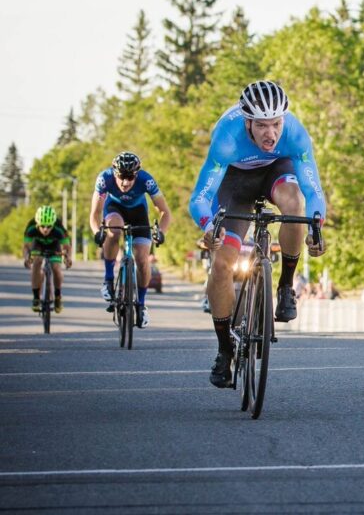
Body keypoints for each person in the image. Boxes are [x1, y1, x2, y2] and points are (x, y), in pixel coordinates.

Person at [190, 80, 327, 388]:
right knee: (222, 266)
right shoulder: (227, 136)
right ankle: (225, 349)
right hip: (234, 183)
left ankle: (285, 287)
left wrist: (317, 224)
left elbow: (313, 189)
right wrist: (208, 226)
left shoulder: (294, 133)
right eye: (262, 126)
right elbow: (200, 196)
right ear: (247, 121)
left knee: (295, 204)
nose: (271, 133)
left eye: (276, 124)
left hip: (276, 172)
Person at [89, 152, 171, 329]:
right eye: (121, 177)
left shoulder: (146, 180)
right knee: (114, 230)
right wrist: (97, 232)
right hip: (114, 209)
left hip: (138, 214)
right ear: (114, 173)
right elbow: (94, 214)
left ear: (136, 174)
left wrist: (161, 232)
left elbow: (165, 212)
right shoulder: (104, 179)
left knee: (142, 259)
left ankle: (141, 305)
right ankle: (109, 279)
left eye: (130, 177)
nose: (125, 182)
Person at [23, 205, 73, 312]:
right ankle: (36, 297)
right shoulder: (31, 227)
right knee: (37, 262)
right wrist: (27, 257)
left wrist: (67, 258)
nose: (45, 229)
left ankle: (58, 296)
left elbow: (67, 247)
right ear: (37, 223)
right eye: (42, 226)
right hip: (38, 245)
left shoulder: (59, 228)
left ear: (53, 224)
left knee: (56, 268)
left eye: (49, 226)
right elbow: (26, 246)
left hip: (54, 245)